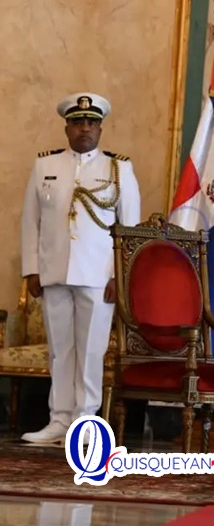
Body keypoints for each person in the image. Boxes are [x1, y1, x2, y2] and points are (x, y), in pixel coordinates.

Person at [20, 92, 141, 444]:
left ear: (100, 127)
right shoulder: (46, 166)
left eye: (90, 122)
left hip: (97, 275)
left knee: (90, 349)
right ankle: (59, 419)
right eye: (77, 122)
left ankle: (85, 422)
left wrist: (120, 276)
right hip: (54, 270)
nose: (84, 128)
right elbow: (31, 221)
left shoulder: (119, 168)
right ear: (67, 127)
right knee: (60, 349)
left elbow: (128, 230)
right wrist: (32, 269)